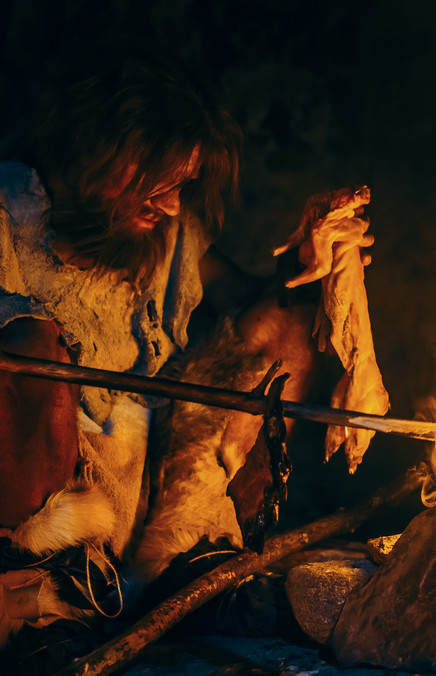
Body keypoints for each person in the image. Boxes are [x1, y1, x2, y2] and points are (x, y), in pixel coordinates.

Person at [0, 47, 388, 657]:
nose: (174, 204)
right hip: (44, 508)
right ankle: (34, 608)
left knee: (289, 328)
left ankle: (189, 558)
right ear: (100, 153)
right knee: (27, 345)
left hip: (145, 490)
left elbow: (256, 311)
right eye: (160, 182)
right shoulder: (8, 216)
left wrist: (306, 265)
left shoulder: (168, 239)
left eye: (183, 185)